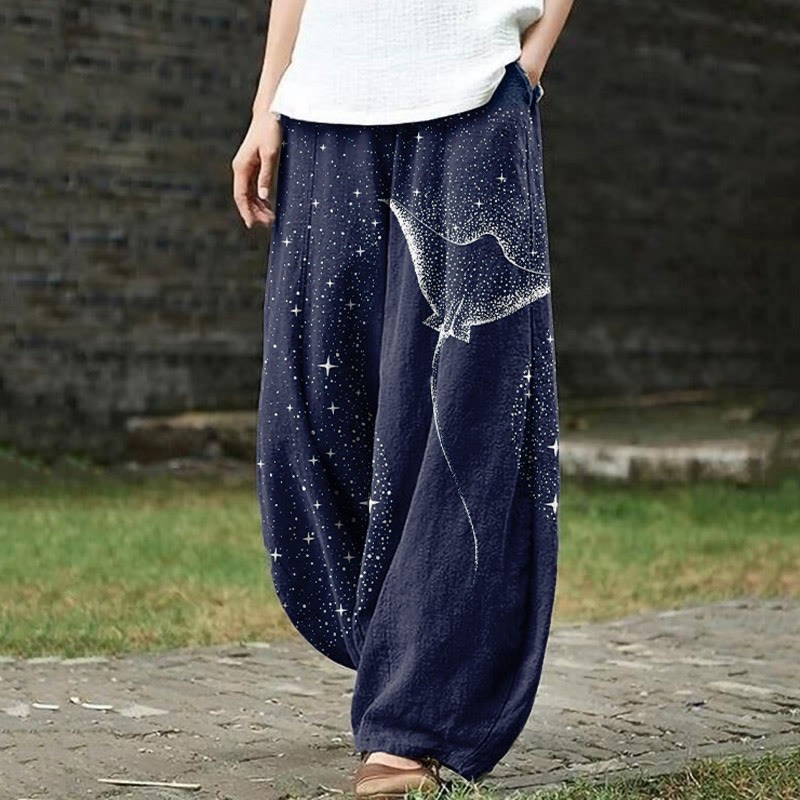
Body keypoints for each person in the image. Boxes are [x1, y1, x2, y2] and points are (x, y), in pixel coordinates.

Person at [232, 1, 574, 795]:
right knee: (310, 408)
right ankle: (401, 645)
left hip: (473, 99)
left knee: (464, 415)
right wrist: (267, 103)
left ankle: (415, 720)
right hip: (322, 108)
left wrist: (527, 68)